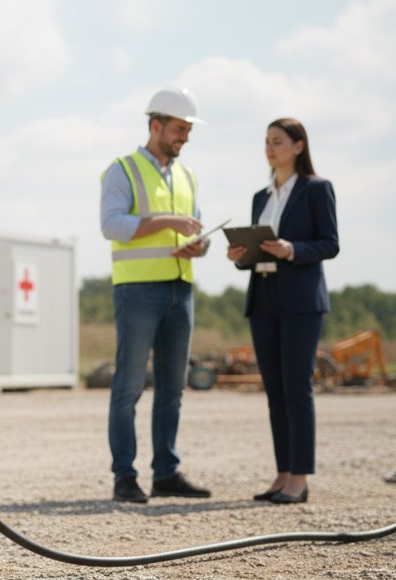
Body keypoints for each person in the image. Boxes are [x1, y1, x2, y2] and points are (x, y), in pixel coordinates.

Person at [99, 86, 213, 504]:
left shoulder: (187, 176)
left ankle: (166, 473)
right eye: (179, 129)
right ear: (155, 125)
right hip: (137, 291)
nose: (184, 137)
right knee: (128, 387)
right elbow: (111, 225)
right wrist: (167, 221)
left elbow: (195, 228)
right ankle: (125, 477)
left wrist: (199, 245)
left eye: (188, 130)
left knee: (173, 388)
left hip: (180, 290)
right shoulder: (122, 170)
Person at [226, 118, 339, 504]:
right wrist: (239, 256)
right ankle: (282, 473)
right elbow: (256, 255)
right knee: (274, 391)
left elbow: (329, 243)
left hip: (301, 300)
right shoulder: (261, 196)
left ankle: (300, 479)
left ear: (298, 146)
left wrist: (291, 249)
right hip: (263, 297)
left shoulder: (316, 189)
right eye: (266, 142)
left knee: (297, 389)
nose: (270, 149)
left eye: (277, 142)